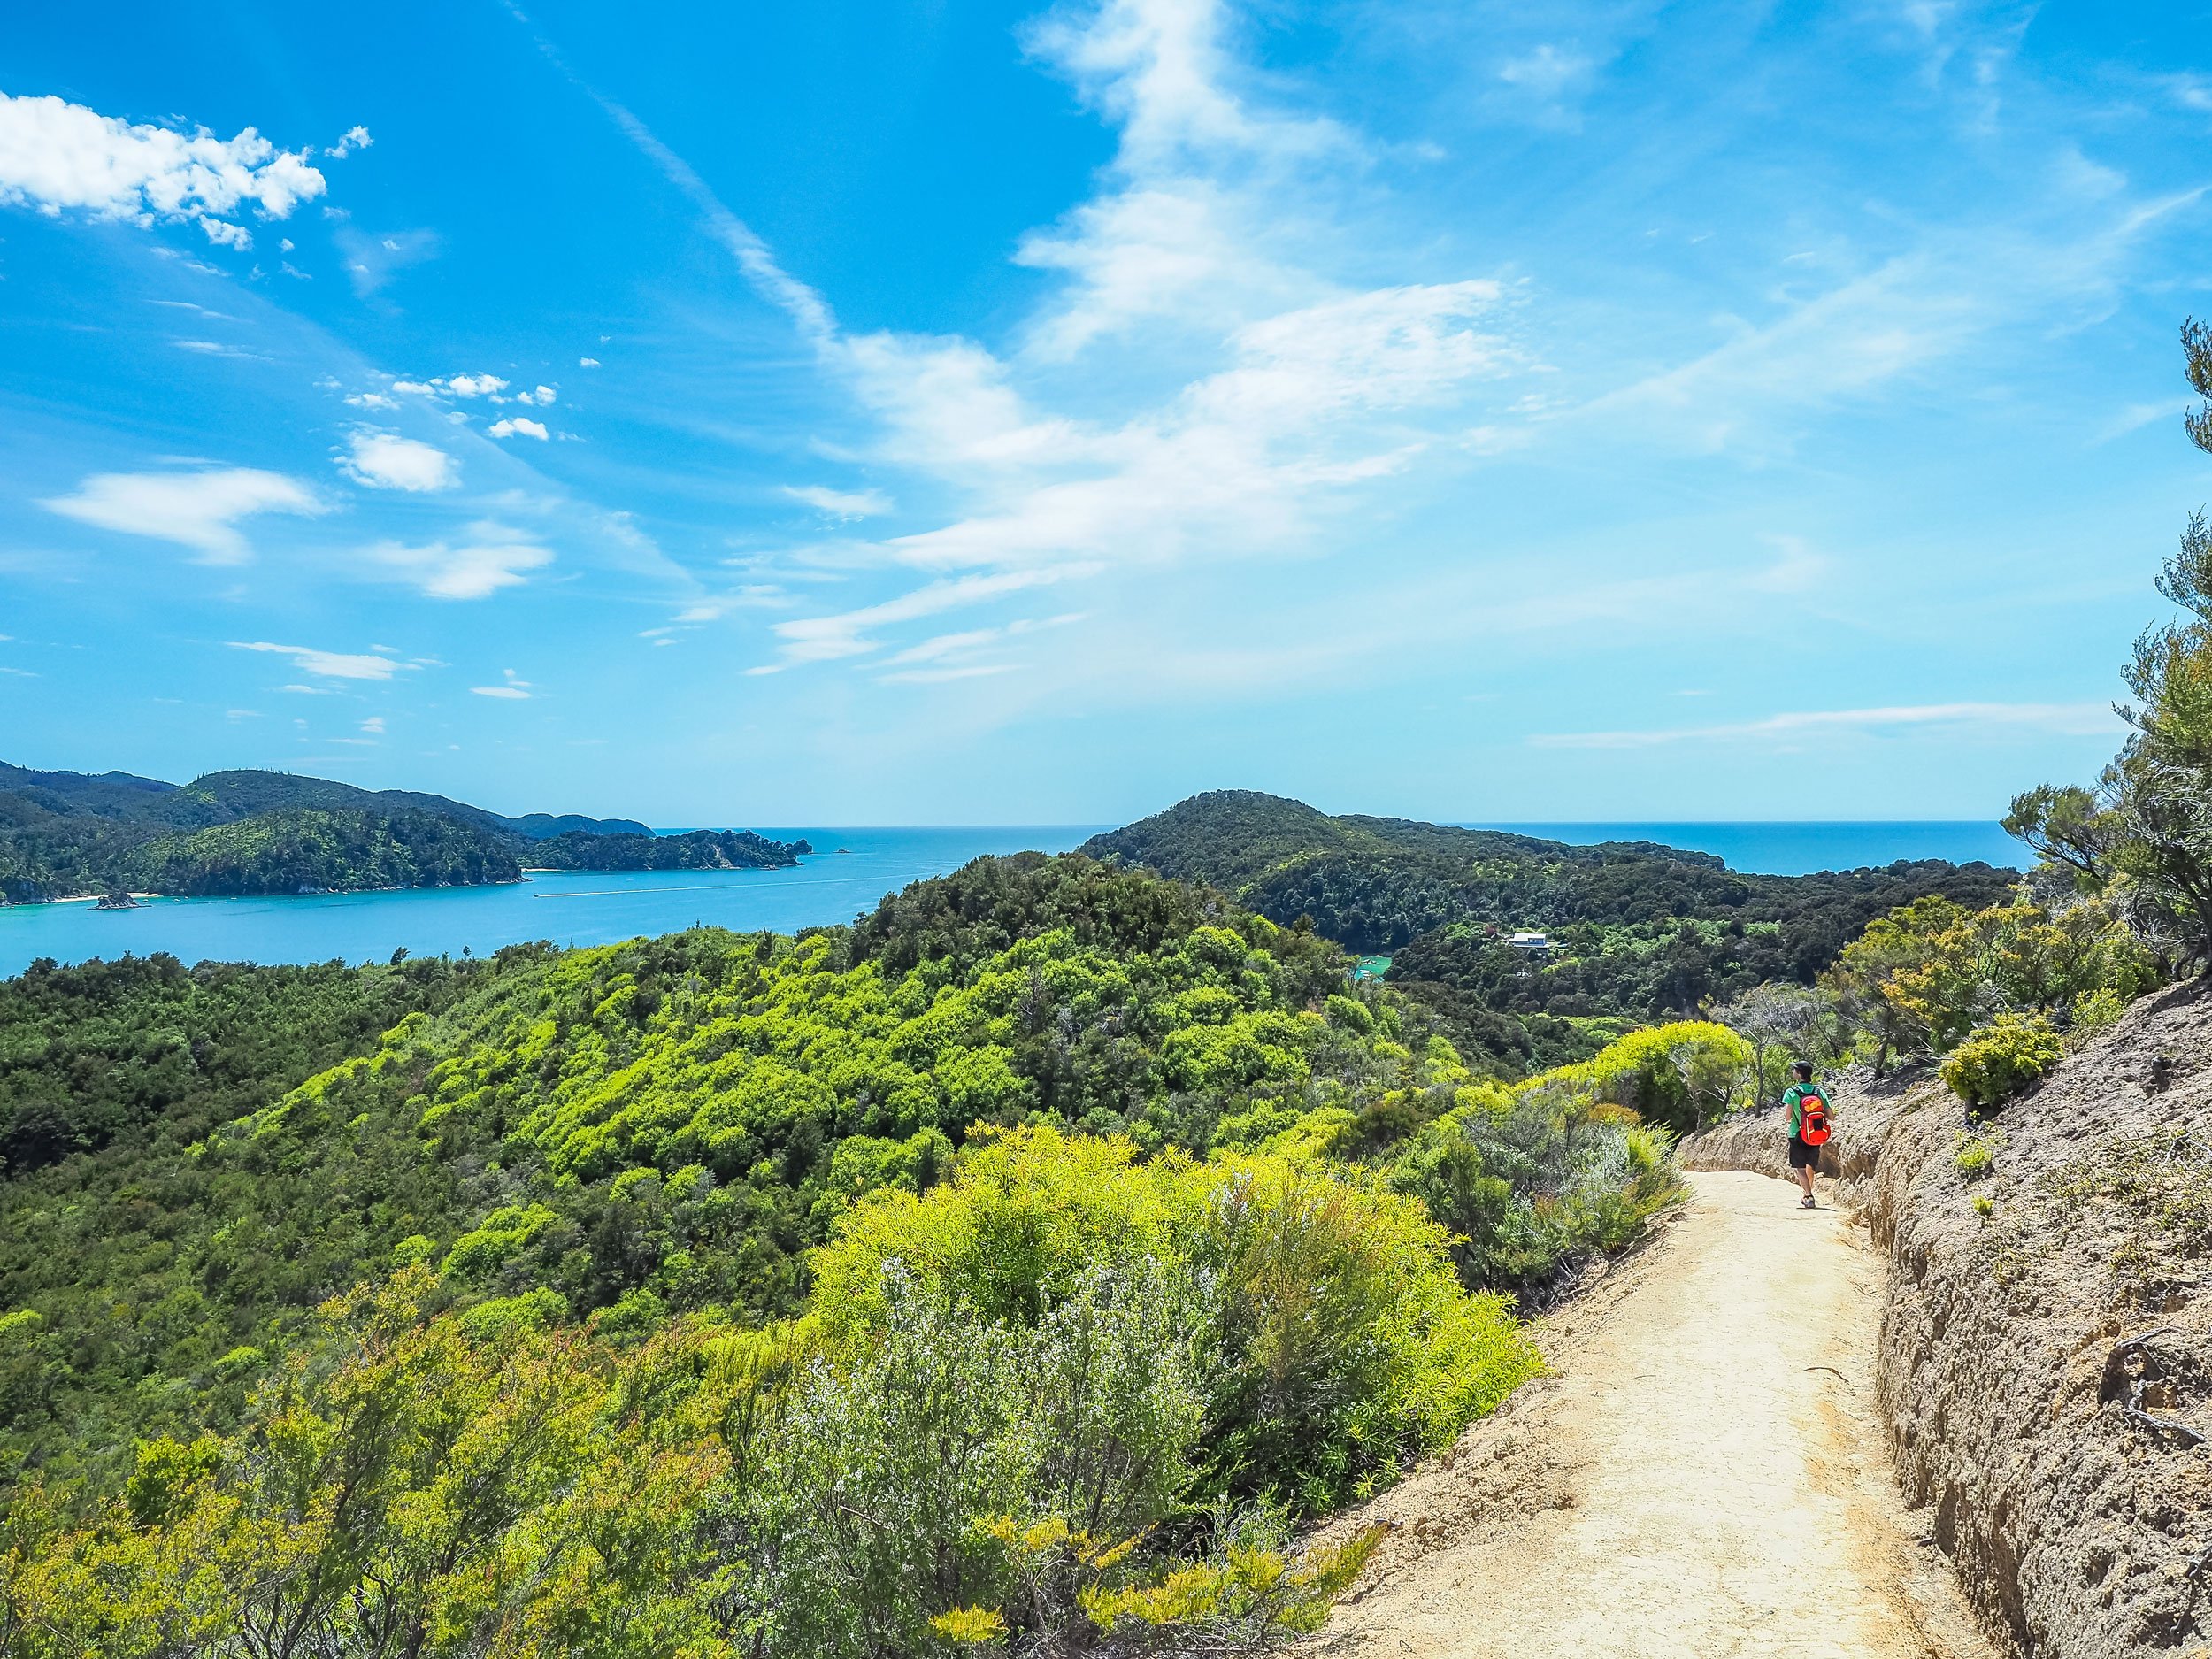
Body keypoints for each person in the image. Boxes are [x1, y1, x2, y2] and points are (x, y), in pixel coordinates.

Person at [1780, 1061, 1828, 1210]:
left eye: (1794, 1070)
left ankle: (1808, 1196)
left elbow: (1787, 1117)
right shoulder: (1819, 1092)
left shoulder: (1791, 1092)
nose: (1792, 1072)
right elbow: (1831, 1115)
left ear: (1799, 1073)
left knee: (1800, 1167)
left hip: (1797, 1132)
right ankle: (1807, 1193)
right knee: (1810, 1166)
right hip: (1815, 1132)